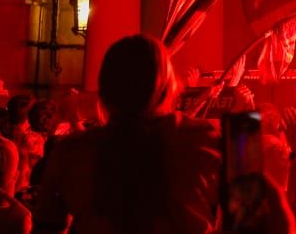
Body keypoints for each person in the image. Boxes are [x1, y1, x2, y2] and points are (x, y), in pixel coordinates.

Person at [31, 34, 220, 234]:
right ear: (168, 87)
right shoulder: (203, 140)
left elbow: (45, 226)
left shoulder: (72, 152)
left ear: (105, 89)